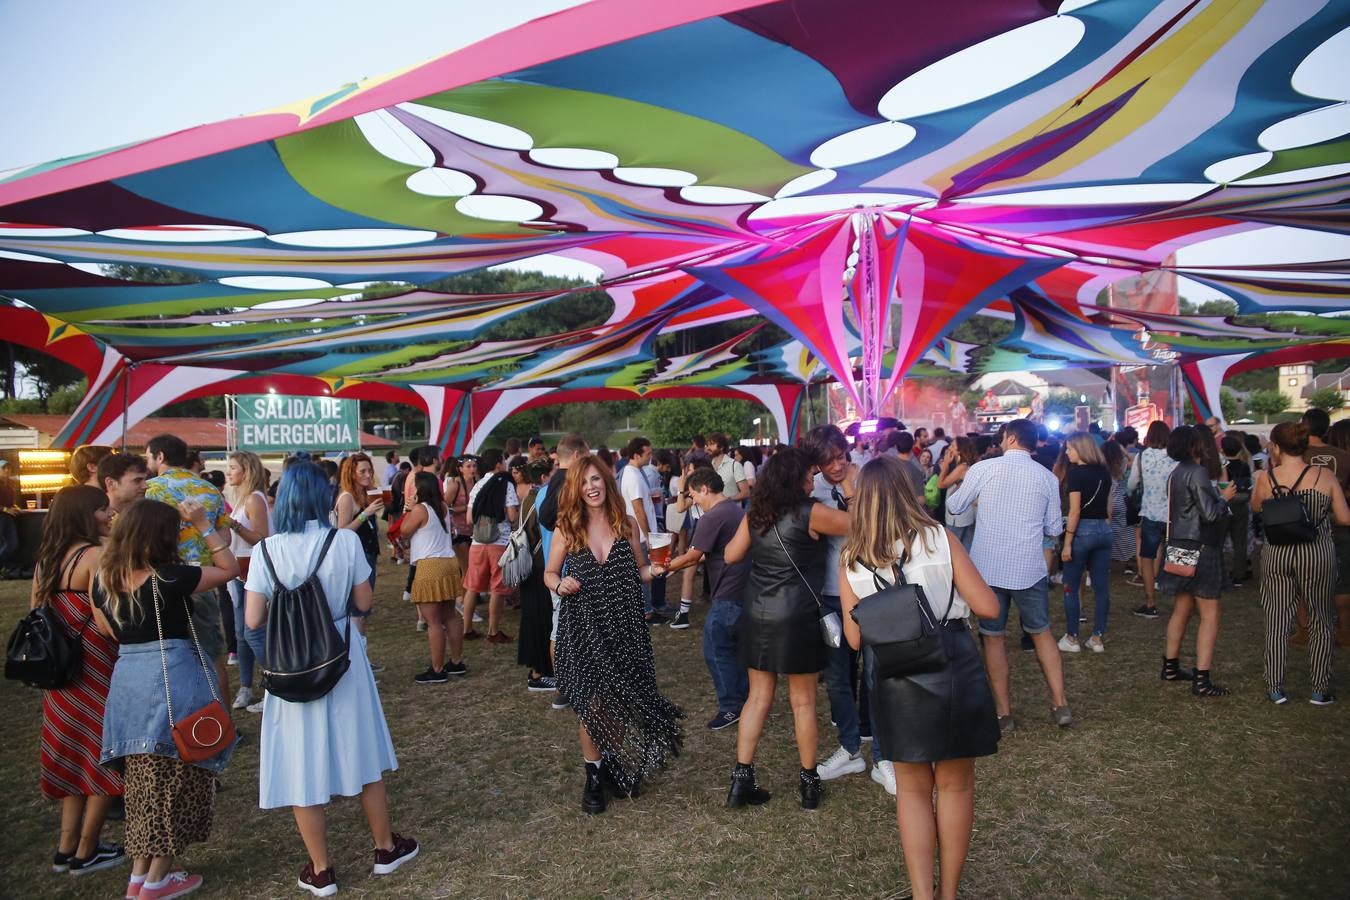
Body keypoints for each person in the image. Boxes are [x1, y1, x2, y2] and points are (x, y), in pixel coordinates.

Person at [243, 462, 418, 893]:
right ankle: (384, 848)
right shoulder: (343, 541)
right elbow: (363, 601)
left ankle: (320, 869)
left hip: (291, 666)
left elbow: (252, 618)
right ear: (322, 497)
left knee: (301, 763)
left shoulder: (267, 550)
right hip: (341, 655)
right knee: (363, 750)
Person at [839, 456, 999, 900]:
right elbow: (988, 608)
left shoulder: (852, 556)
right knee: (955, 785)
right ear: (906, 491)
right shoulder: (940, 538)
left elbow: (853, 640)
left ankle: (922, 896)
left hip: (892, 676)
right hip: (950, 663)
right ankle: (948, 893)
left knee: (911, 792)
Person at [92, 498, 239, 900]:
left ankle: (140, 877)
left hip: (127, 684)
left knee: (142, 784)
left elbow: (107, 629)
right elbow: (230, 568)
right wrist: (204, 525)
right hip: (172, 680)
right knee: (179, 776)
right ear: (160, 535)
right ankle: (157, 880)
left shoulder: (103, 579)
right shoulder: (170, 577)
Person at [543, 454, 682, 814]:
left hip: (625, 626)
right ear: (576, 487)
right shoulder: (567, 527)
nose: (591, 487)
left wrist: (656, 568)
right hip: (584, 629)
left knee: (618, 705)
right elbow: (549, 573)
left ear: (607, 481)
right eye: (584, 482)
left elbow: (640, 570)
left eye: (596, 479)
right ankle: (594, 777)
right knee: (592, 708)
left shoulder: (627, 524)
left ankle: (607, 763)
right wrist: (560, 585)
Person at [722, 447, 850, 809]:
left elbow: (731, 556)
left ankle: (740, 781)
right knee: (803, 701)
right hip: (797, 614)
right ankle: (809, 784)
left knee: (757, 698)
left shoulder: (756, 514)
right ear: (795, 479)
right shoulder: (812, 512)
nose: (814, 480)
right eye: (810, 475)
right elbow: (859, 525)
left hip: (758, 611)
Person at [946, 419, 1071, 730]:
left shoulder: (984, 469)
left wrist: (979, 497)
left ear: (1011, 437)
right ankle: (1060, 703)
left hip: (988, 567)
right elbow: (1054, 528)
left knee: (993, 639)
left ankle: (1004, 714)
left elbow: (954, 504)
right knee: (1042, 632)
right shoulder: (1046, 477)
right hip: (1029, 567)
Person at [31, 486, 125, 876]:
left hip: (59, 671)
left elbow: (35, 612)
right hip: (94, 666)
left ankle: (65, 846)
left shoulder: (46, 558)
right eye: (104, 509)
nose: (110, 515)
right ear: (87, 515)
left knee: (73, 756)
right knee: (104, 757)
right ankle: (87, 851)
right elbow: (106, 621)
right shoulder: (96, 556)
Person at [1251, 422, 1349, 705]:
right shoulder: (1324, 476)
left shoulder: (1266, 477)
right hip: (1316, 552)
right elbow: (1344, 518)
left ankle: (1275, 687)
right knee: (1320, 619)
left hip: (1277, 553)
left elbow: (1257, 507)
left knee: (1277, 618)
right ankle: (1319, 689)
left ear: (1277, 447)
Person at [652, 467, 751, 730]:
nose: (693, 500)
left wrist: (666, 567)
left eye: (694, 494)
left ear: (705, 489)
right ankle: (746, 700)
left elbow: (695, 555)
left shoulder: (712, 516)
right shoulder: (732, 509)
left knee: (716, 650)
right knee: (735, 649)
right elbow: (711, 552)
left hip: (728, 593)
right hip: (743, 590)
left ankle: (732, 707)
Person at [800, 425, 871, 788]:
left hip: (872, 588)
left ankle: (881, 745)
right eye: (828, 461)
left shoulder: (869, 476)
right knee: (839, 675)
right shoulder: (812, 490)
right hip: (830, 591)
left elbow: (870, 528)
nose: (837, 465)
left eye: (841, 456)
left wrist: (851, 490)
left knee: (876, 670)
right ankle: (850, 746)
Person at [144, 434, 235, 711]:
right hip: (204, 580)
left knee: (168, 659)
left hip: (161, 582)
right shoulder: (209, 490)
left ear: (160, 457)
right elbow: (225, 539)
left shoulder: (149, 491)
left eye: (148, 456)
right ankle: (225, 723)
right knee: (212, 656)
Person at [1159, 426, 1238, 697]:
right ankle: (1202, 679)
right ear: (1194, 445)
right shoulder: (1198, 472)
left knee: (1182, 608)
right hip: (1202, 547)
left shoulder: (1175, 473)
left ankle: (1170, 666)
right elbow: (1210, 515)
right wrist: (1225, 499)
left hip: (1179, 544)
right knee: (1209, 614)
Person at [537, 434, 590, 708]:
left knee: (560, 631)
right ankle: (565, 686)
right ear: (579, 453)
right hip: (569, 570)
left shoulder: (545, 488)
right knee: (565, 631)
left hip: (554, 568)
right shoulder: (571, 483)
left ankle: (566, 683)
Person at [400, 471, 467, 683]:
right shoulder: (442, 507)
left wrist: (408, 510)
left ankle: (437, 670)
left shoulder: (420, 509)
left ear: (420, 489)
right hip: (448, 562)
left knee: (433, 621)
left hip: (429, 565)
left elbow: (403, 531)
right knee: (450, 616)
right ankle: (456, 662)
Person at [222, 451, 271, 713]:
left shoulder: (253, 499)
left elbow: (263, 539)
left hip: (254, 571)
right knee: (241, 633)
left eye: (233, 468)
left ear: (247, 471)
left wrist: (233, 525)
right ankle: (245, 687)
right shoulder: (242, 498)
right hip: (241, 573)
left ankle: (274, 681)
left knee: (253, 631)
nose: (228, 472)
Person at [1057, 435, 1114, 653]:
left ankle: (1072, 638)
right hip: (1103, 529)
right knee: (1101, 587)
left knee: (1070, 586)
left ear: (1081, 449)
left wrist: (1068, 542)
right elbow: (1109, 507)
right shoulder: (1104, 472)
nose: (1067, 452)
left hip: (1082, 531)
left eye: (1070, 448)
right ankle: (1097, 637)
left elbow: (1074, 510)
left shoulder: (1076, 474)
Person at [463, 449, 518, 643]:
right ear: (498, 464)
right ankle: (493, 632)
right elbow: (511, 516)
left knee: (472, 587)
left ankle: (467, 629)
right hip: (500, 542)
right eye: (503, 460)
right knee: (497, 588)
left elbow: (469, 519)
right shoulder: (506, 485)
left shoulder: (477, 485)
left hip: (477, 543)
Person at [334, 454, 385, 646]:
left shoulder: (362, 494)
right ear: (351, 473)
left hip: (366, 556)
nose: (368, 474)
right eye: (362, 471)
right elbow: (342, 531)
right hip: (355, 559)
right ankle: (357, 658)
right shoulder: (347, 497)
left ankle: (361, 657)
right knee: (358, 610)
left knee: (363, 610)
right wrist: (365, 514)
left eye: (370, 470)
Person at [1127, 421, 1176, 618]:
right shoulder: (1176, 458)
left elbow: (1132, 484)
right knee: (1177, 557)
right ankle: (1182, 600)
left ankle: (1150, 602)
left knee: (1147, 558)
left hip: (1150, 513)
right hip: (1173, 515)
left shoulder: (1141, 457)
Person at [619, 437, 670, 625]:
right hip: (641, 534)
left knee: (652, 570)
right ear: (636, 455)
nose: (651, 457)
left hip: (642, 532)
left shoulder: (635, 472)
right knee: (645, 571)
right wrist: (648, 536)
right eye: (648, 453)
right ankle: (647, 612)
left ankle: (650, 608)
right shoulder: (632, 474)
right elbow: (638, 507)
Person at [516, 460, 555, 692]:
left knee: (538, 618)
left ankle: (541, 670)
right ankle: (538, 674)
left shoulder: (531, 497)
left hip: (534, 566)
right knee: (539, 620)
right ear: (543, 478)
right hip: (537, 566)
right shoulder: (537, 499)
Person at [1219, 435, 1253, 587]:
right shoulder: (1244, 465)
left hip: (1224, 504)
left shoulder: (1221, 465)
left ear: (1222, 449)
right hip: (1241, 505)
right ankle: (1239, 574)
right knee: (1240, 541)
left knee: (1218, 541)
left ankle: (1218, 572)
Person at [938, 438, 979, 550]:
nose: (949, 448)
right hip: (967, 513)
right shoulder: (967, 465)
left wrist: (945, 465)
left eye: (952, 445)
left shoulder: (962, 467)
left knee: (953, 548)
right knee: (967, 547)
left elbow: (941, 484)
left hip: (957, 516)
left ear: (960, 450)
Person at [707, 432, 749, 503]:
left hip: (731, 512)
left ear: (721, 447)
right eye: (707, 445)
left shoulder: (735, 465)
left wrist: (725, 500)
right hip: (713, 512)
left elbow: (746, 493)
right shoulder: (708, 466)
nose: (708, 448)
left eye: (711, 444)